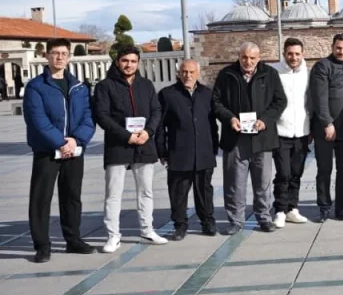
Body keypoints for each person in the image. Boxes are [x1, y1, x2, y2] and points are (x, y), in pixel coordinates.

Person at [24, 38, 96, 263]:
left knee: (72, 196)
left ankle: (73, 239)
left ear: (69, 57)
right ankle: (42, 245)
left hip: (74, 150)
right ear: (47, 56)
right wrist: (60, 142)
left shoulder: (79, 87)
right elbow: (37, 119)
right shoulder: (36, 86)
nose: (59, 57)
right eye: (55, 53)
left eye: (63, 53)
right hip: (47, 151)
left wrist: (76, 140)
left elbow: (88, 117)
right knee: (41, 198)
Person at [93, 45, 167, 252]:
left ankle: (147, 229)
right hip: (118, 144)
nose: (129, 65)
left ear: (138, 63)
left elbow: (156, 110)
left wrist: (148, 132)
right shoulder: (105, 86)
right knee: (113, 193)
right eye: (125, 61)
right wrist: (127, 136)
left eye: (133, 61)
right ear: (117, 62)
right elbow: (102, 116)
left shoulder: (146, 85)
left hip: (144, 143)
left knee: (146, 191)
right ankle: (113, 235)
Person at [212, 42, 287, 234]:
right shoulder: (226, 75)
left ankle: (264, 217)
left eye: (252, 58)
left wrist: (266, 119)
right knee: (235, 183)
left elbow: (280, 101)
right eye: (244, 57)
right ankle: (236, 221)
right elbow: (216, 102)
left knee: (263, 182)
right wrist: (229, 118)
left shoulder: (269, 74)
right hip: (235, 138)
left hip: (262, 137)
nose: (248, 61)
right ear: (239, 56)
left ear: (259, 58)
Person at [156, 59, 219, 240]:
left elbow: (212, 124)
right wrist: (162, 151)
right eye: (184, 72)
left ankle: (207, 222)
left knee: (204, 191)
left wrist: (214, 147)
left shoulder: (207, 94)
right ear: (179, 73)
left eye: (191, 72)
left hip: (203, 152)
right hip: (179, 152)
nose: (188, 75)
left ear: (198, 73)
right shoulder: (167, 95)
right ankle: (180, 225)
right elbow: (160, 126)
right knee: (178, 192)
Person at [310, 33, 343, 222]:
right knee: (324, 169)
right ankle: (323, 207)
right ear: (332, 47)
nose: (342, 51)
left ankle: (341, 208)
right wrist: (327, 123)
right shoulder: (322, 67)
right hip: (326, 130)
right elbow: (319, 98)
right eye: (339, 48)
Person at [272, 38, 311, 228]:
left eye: (297, 54)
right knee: (283, 173)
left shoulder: (308, 74)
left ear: (302, 54)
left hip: (302, 132)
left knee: (296, 173)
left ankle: (292, 208)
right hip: (281, 132)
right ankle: (279, 209)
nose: (293, 57)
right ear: (284, 53)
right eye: (290, 53)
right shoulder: (274, 72)